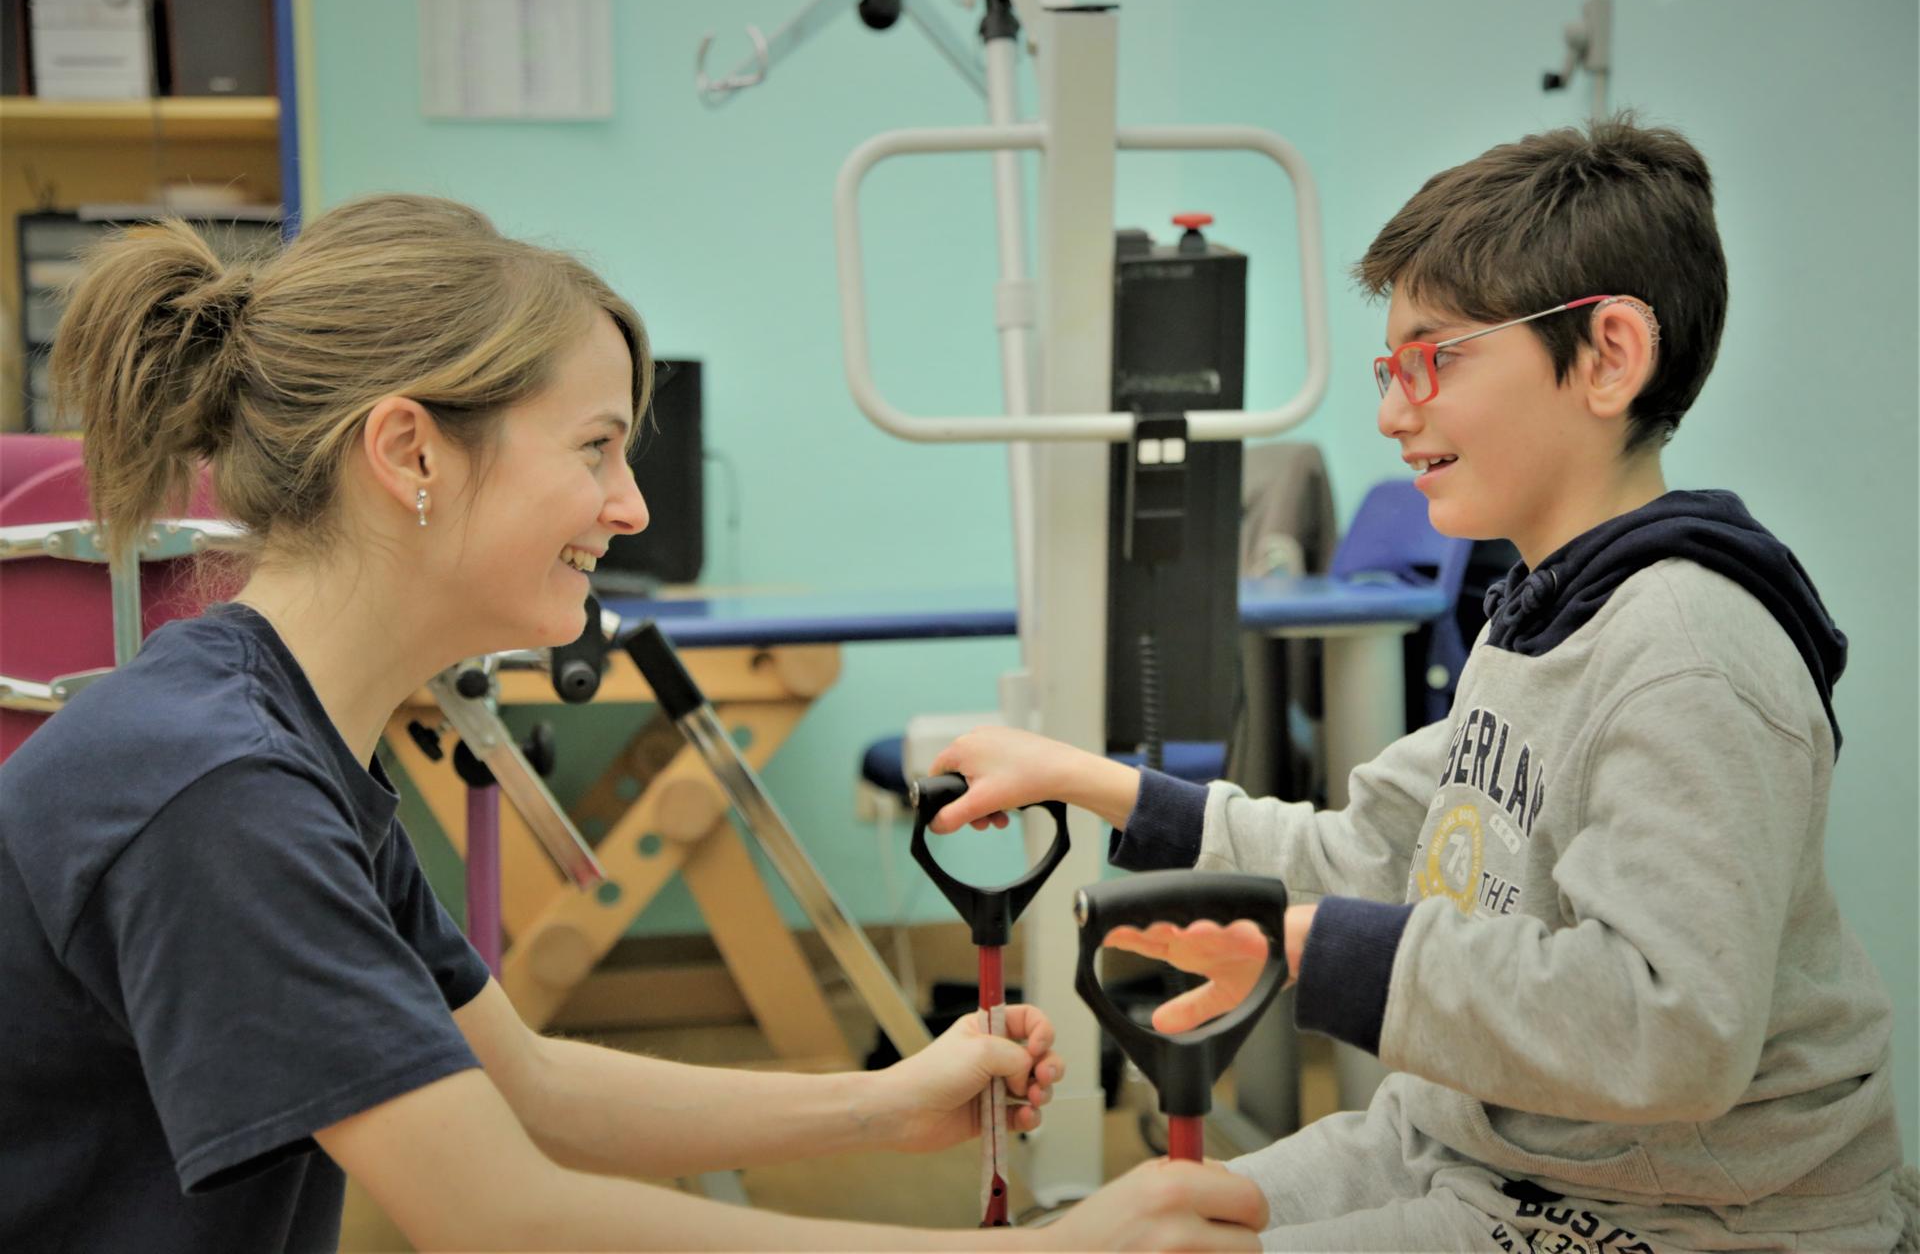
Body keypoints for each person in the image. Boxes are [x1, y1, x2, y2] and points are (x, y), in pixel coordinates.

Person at [0, 195, 1268, 1252]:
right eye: (597, 447)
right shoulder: (218, 788)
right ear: (410, 453)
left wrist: (875, 1105)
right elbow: (497, 1211)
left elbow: (530, 1087)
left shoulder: (283, 736)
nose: (631, 507)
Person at [927, 118, 1906, 1252]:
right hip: (1483, 1148)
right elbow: (1378, 855)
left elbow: (1668, 1026)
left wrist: (1299, 947)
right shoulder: (1535, 616)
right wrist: (1092, 782)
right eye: (1393, 369)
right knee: (1154, 1214)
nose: (1394, 410)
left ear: (1608, 355)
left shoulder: (1687, 649)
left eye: (1435, 359)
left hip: (1695, 1216)